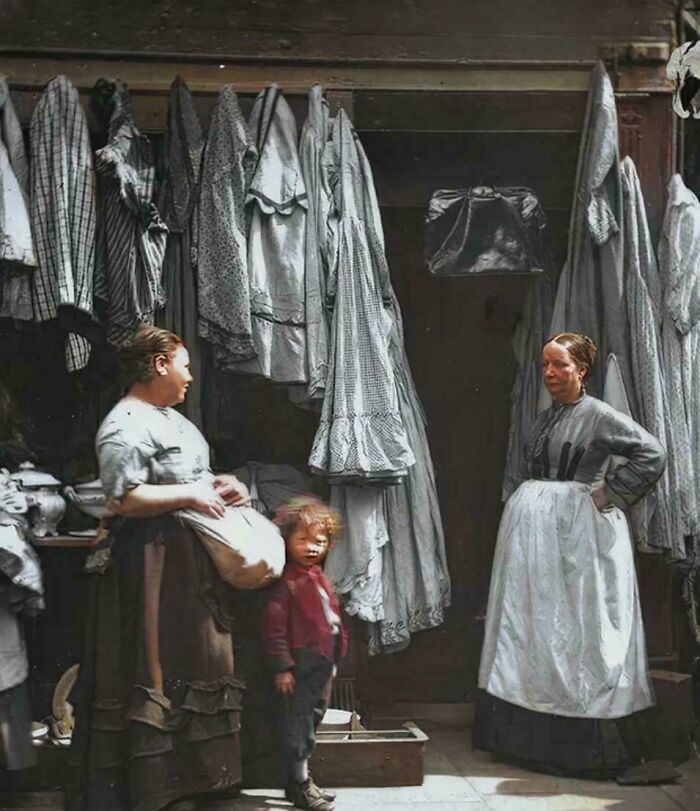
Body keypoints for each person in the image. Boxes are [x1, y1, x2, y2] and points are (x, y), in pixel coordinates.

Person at [68, 326, 251, 811]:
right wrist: (192, 495)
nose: (191, 375)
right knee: (155, 666)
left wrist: (224, 484)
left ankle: (196, 783)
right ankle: (155, 790)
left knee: (197, 662)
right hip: (150, 562)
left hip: (186, 561)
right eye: (185, 364)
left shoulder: (169, 418)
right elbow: (122, 497)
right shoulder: (125, 423)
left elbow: (189, 476)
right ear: (159, 364)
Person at [474, 332, 666, 778]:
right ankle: (526, 740)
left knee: (580, 624)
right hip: (536, 534)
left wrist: (610, 493)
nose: (549, 374)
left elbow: (651, 453)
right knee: (536, 626)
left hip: (577, 533)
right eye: (544, 365)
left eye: (559, 365)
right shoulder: (546, 417)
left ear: (581, 370)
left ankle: (584, 745)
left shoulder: (598, 415)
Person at [262, 497, 347, 811]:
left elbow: (330, 619)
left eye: (320, 541)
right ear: (287, 541)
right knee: (299, 725)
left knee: (312, 720)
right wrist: (282, 666)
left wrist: (335, 657)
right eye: (303, 540)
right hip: (300, 666)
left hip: (322, 665)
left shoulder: (318, 577)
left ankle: (298, 782)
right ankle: (300, 784)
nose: (312, 547)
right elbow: (275, 628)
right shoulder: (288, 583)